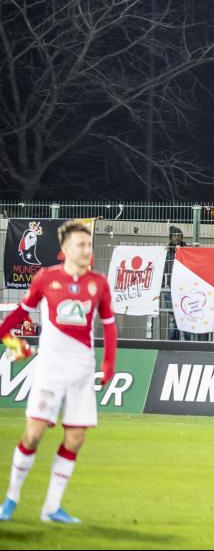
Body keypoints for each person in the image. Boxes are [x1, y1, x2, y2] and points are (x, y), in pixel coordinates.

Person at [0, 220, 117, 524]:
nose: (86, 250)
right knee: (34, 433)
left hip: (81, 370)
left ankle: (51, 508)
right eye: (81, 245)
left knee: (76, 438)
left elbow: (109, 326)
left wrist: (108, 364)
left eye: (89, 245)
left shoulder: (99, 283)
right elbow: (13, 319)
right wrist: (16, 344)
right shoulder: (45, 278)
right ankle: (11, 498)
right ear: (65, 249)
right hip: (51, 369)